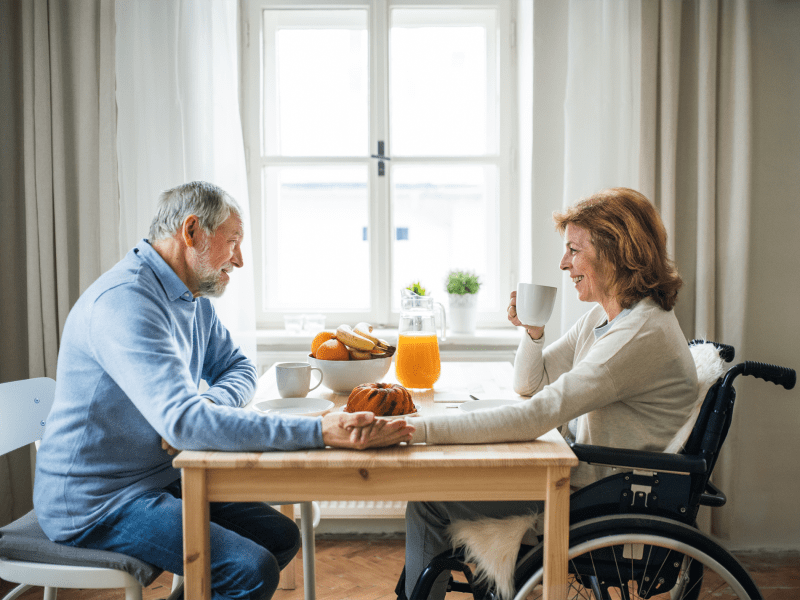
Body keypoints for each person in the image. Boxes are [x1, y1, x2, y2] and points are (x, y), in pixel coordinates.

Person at [33, 181, 414, 600]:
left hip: (155, 480)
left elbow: (239, 367)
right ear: (191, 232)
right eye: (232, 242)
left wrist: (210, 401)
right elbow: (184, 425)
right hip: (96, 501)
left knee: (281, 536)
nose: (240, 259)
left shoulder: (190, 298)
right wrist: (321, 430)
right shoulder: (127, 302)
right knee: (248, 570)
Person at [394, 187, 698, 600]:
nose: (563, 263)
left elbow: (538, 413)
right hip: (593, 484)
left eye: (574, 249)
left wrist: (419, 429)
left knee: (427, 502)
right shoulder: (608, 318)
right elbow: (530, 385)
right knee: (442, 489)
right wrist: (533, 331)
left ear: (614, 251)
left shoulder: (637, 335)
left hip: (601, 500)